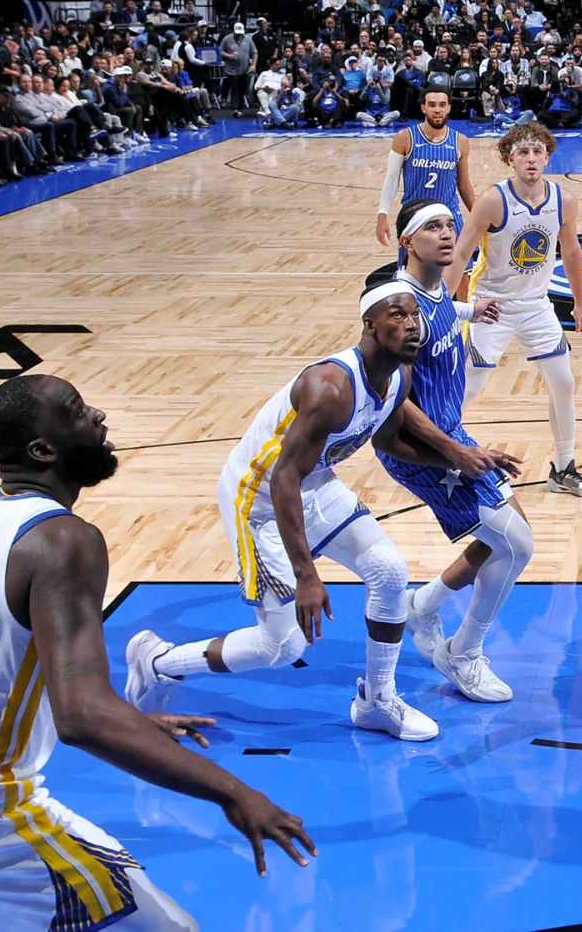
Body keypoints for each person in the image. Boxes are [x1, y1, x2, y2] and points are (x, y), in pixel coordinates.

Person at [0, 376, 313, 932]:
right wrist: (234, 791)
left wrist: (131, 721)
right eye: (79, 411)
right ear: (43, 450)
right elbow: (81, 718)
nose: (99, 415)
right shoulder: (63, 540)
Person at [123, 285, 458, 741]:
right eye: (397, 315)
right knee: (282, 645)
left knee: (389, 570)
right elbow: (283, 480)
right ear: (370, 325)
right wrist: (306, 575)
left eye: (415, 315)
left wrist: (458, 457)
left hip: (313, 483)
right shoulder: (330, 388)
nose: (412, 324)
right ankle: (158, 663)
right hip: (259, 497)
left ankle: (377, 701)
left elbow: (387, 438)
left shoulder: (399, 374)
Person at [374, 200, 538, 703]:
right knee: (517, 544)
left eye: (450, 225)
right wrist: (456, 454)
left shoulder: (435, 284)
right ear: (407, 241)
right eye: (432, 228)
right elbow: (394, 406)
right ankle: (462, 653)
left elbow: (445, 308)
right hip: (418, 447)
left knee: (506, 533)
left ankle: (424, 604)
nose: (447, 234)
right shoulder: (400, 311)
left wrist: (473, 309)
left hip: (451, 432)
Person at [448, 122, 582, 498]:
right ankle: (446, 458)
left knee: (564, 383)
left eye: (537, 152)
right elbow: (461, 254)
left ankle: (563, 468)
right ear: (509, 159)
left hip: (537, 305)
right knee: (469, 389)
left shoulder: (563, 200)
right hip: (492, 305)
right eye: (523, 152)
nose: (531, 159)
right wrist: (444, 304)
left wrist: (580, 303)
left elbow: (571, 251)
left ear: (547, 157)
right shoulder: (491, 200)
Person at [377, 85, 473, 247]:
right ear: (423, 108)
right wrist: (382, 215)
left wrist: (479, 216)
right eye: (432, 105)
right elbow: (392, 178)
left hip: (448, 217)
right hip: (415, 217)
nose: (437, 110)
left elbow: (463, 184)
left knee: (461, 272)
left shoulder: (460, 141)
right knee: (412, 272)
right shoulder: (405, 137)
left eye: (442, 105)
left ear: (449, 108)